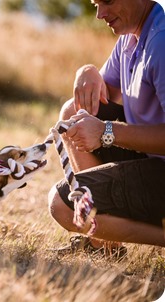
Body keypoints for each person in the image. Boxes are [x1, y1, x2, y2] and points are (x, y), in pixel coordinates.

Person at [48, 0, 165, 255]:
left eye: (108, 1)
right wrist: (86, 70)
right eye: (95, 3)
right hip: (152, 160)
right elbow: (100, 95)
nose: (100, 14)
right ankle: (105, 247)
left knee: (64, 206)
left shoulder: (162, 42)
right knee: (73, 112)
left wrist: (106, 132)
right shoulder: (132, 36)